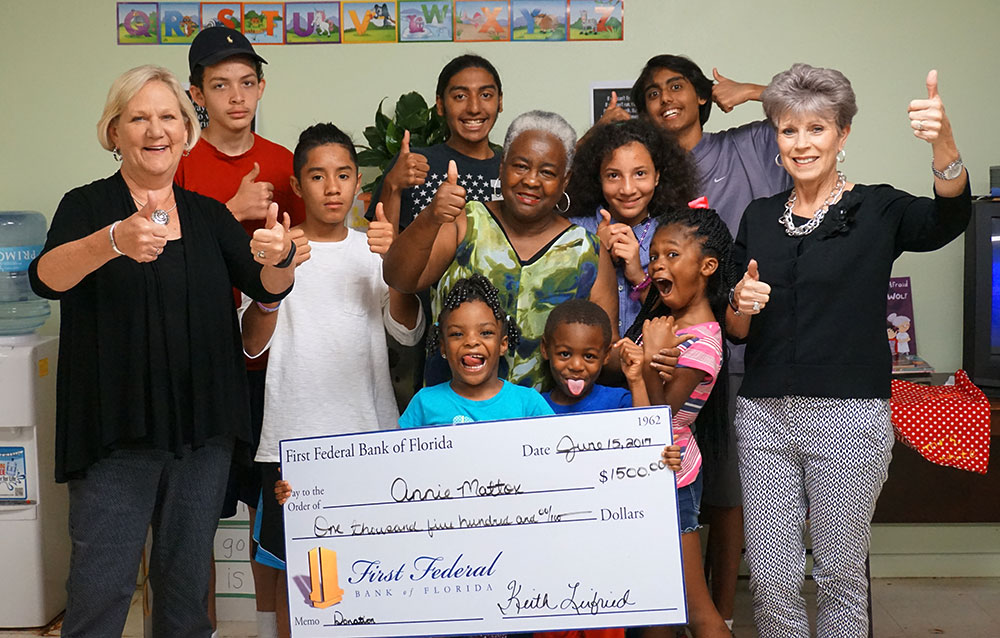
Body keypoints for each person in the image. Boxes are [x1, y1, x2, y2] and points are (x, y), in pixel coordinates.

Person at [27, 64, 299, 638]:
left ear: (186, 131)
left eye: (169, 116)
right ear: (115, 133)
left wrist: (279, 260)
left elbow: (265, 285)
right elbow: (46, 278)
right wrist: (112, 242)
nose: (156, 130)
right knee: (101, 593)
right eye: (139, 117)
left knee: (184, 598)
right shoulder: (86, 206)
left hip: (202, 435)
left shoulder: (207, 215)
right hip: (114, 436)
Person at [727, 64, 971, 638]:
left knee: (839, 574)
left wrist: (943, 141)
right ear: (776, 139)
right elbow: (735, 330)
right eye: (789, 131)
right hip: (763, 417)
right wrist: (741, 300)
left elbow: (948, 217)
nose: (802, 143)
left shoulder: (877, 210)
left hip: (849, 417)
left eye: (817, 129)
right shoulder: (759, 217)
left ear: (843, 134)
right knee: (772, 577)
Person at [606, 54, 793, 629]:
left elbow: (812, 114)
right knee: (684, 488)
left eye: (678, 86)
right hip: (670, 345)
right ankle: (687, 609)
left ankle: (719, 613)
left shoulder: (745, 147)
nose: (666, 98)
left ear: (703, 96)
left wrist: (752, 89)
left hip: (728, 346)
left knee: (729, 490)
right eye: (653, 91)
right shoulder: (649, 171)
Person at [240, 123, 423, 638]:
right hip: (293, 444)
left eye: (343, 174)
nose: (332, 187)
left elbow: (406, 332)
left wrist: (394, 264)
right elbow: (252, 344)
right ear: (297, 186)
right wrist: (274, 276)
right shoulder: (277, 249)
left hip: (369, 438)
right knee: (304, 587)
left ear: (358, 183)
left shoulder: (374, 249)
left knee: (368, 579)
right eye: (317, 176)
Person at [173, 26, 306, 636]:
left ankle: (267, 627)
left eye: (247, 82)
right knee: (191, 519)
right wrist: (230, 212)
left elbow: (315, 257)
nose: (236, 96)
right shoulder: (172, 164)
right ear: (196, 94)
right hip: (198, 364)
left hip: (278, 368)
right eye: (220, 84)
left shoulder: (286, 164)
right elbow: (158, 259)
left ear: (261, 87)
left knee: (278, 523)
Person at [383, 111, 618, 391]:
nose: (531, 181)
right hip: (454, 418)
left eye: (547, 172)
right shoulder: (464, 221)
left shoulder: (587, 252)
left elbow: (606, 353)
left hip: (544, 424)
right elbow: (400, 280)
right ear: (502, 166)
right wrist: (432, 215)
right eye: (520, 166)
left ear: (565, 181)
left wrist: (643, 357)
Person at [620, 204, 737, 638]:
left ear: (706, 266)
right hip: (648, 471)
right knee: (660, 605)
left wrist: (649, 357)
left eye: (671, 255)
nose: (657, 265)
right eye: (654, 257)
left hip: (673, 473)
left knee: (695, 607)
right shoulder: (667, 323)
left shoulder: (702, 340)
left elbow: (659, 416)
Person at [365, 53, 504, 407]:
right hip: (428, 332)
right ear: (440, 106)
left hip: (501, 332)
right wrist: (394, 185)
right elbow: (388, 253)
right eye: (460, 96)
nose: (474, 107)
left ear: (500, 103)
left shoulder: (513, 168)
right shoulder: (418, 163)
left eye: (486, 95)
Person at [565, 119, 699, 336]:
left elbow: (683, 316)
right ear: (598, 178)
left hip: (651, 365)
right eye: (613, 175)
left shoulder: (677, 235)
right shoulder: (573, 231)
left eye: (640, 174)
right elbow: (556, 308)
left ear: (657, 176)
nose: (627, 189)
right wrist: (594, 253)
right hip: (586, 366)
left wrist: (638, 275)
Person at [540, 298, 650, 413]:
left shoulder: (618, 402)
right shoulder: (534, 405)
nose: (576, 366)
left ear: (606, 355)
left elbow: (647, 428)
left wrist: (636, 381)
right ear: (545, 349)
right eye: (565, 354)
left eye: (589, 356)